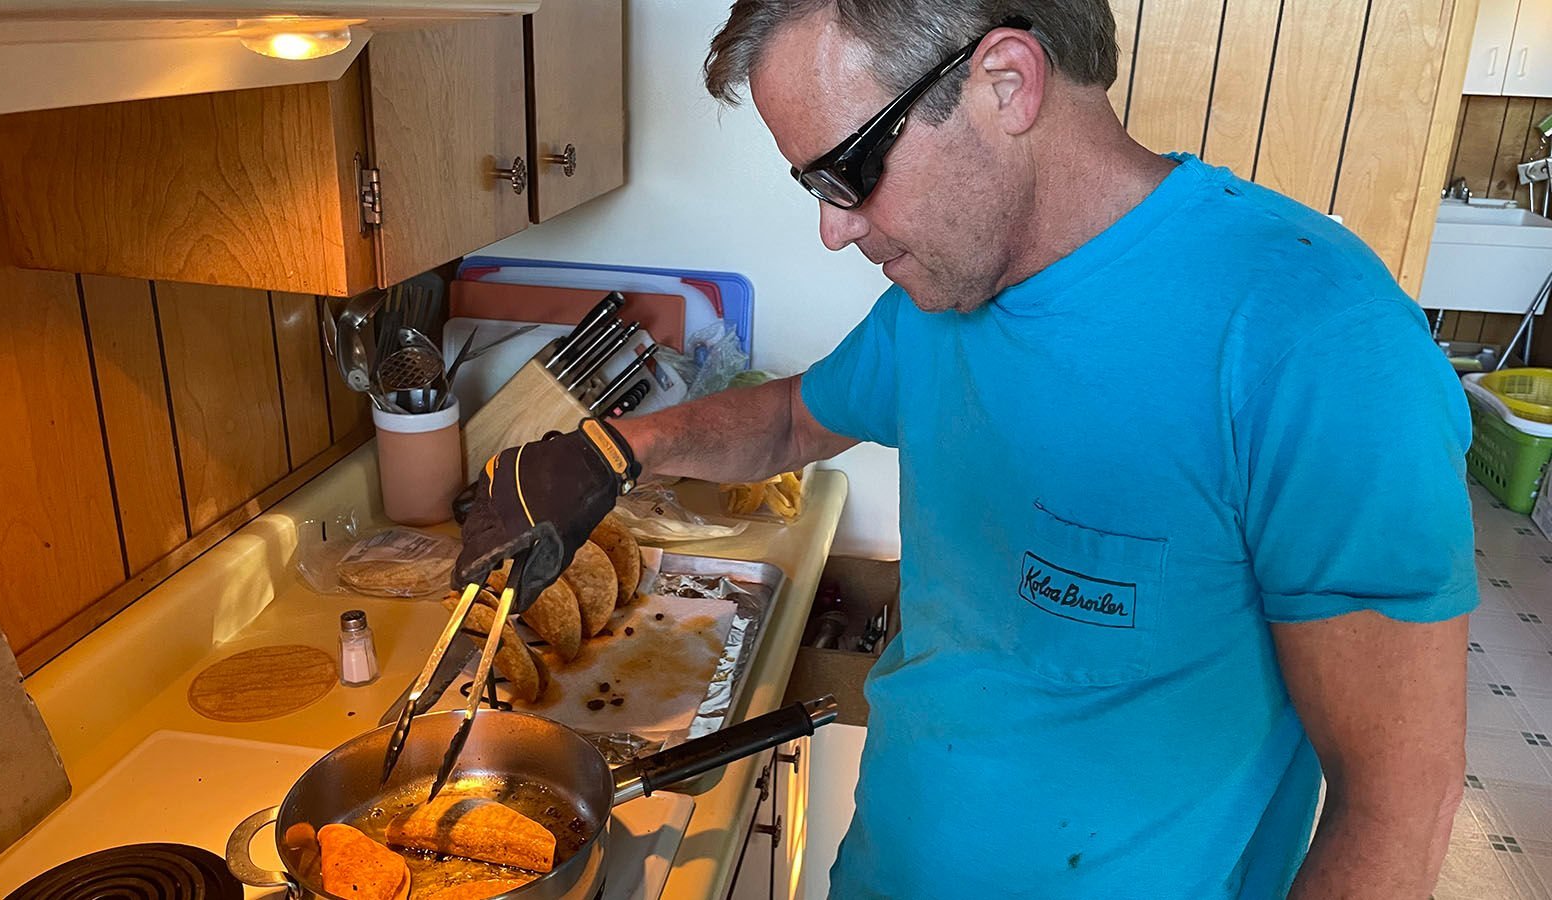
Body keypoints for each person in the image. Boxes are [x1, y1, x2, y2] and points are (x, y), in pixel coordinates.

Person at [454, 2, 1478, 896]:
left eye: (846, 171)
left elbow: (1395, 809)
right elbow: (791, 422)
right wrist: (610, 448)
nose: (832, 229)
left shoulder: (1315, 340)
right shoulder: (941, 293)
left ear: (1004, 82)